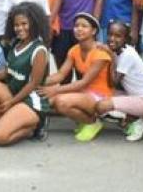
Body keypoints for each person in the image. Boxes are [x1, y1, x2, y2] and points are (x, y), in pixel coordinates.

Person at [0, 2, 52, 145]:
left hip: (31, 101)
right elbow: (8, 71)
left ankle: (34, 126)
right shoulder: (16, 44)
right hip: (14, 93)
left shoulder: (39, 50)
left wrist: (12, 102)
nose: (19, 28)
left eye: (24, 24)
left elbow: (33, 83)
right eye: (16, 25)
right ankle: (3, 125)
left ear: (34, 23)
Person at [41, 13, 112, 142]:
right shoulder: (74, 50)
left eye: (84, 26)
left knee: (61, 101)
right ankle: (83, 122)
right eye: (76, 26)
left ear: (94, 31)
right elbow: (61, 75)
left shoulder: (100, 53)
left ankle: (92, 122)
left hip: (100, 96)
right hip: (83, 93)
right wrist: (38, 81)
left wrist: (55, 90)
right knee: (50, 99)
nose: (79, 29)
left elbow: (83, 82)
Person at [95, 21, 143, 142]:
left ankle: (138, 119)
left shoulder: (127, 54)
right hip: (133, 95)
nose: (112, 39)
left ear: (126, 39)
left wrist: (111, 57)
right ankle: (132, 117)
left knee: (102, 105)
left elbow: (113, 82)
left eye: (118, 36)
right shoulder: (118, 50)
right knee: (98, 94)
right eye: (110, 34)